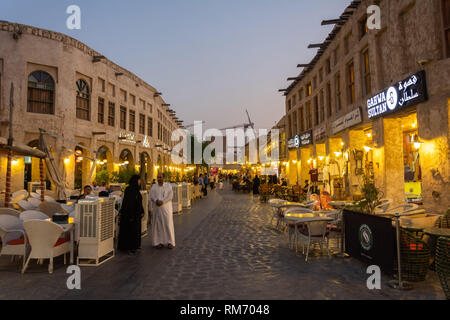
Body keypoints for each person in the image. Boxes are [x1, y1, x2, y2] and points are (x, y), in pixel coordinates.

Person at [117, 175, 144, 255]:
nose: (140, 182)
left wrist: (142, 211)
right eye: (139, 180)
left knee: (135, 230)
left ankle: (135, 246)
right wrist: (131, 216)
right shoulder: (129, 190)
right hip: (130, 215)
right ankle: (130, 247)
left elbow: (139, 202)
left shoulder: (136, 190)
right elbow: (128, 203)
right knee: (130, 231)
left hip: (136, 214)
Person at [150, 173, 175, 249]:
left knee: (168, 224)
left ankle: (170, 242)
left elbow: (170, 196)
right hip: (157, 209)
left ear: (164, 178)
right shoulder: (154, 186)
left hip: (166, 209)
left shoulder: (168, 186)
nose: (159, 179)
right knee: (158, 225)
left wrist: (163, 201)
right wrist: (156, 200)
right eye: (158, 177)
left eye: (160, 177)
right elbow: (151, 196)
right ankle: (158, 242)